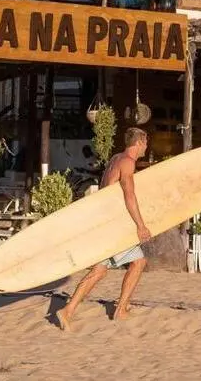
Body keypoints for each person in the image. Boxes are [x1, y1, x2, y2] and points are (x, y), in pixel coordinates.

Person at [56, 127, 152, 330]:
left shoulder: (116, 158)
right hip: (112, 225)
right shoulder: (128, 162)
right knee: (139, 262)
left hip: (104, 222)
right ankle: (121, 309)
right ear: (138, 143)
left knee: (99, 270)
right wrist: (140, 226)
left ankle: (67, 310)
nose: (146, 146)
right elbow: (129, 196)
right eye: (145, 142)